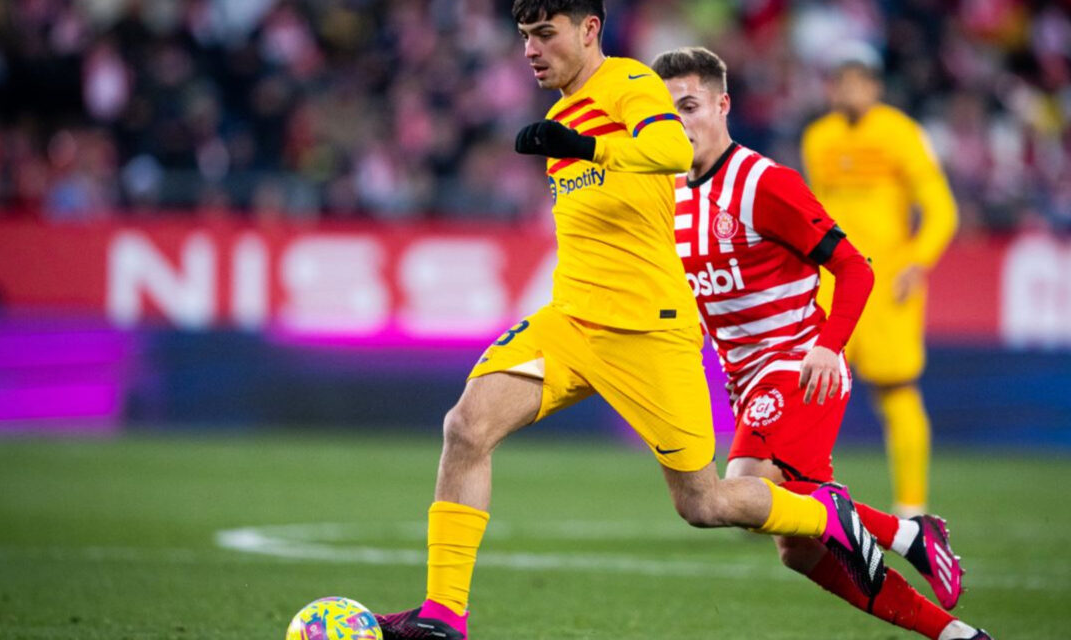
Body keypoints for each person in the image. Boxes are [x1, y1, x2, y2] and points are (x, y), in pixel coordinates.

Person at [375, 4, 885, 639]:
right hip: (573, 319)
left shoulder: (630, 84)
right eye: (525, 37)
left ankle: (828, 519)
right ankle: (443, 617)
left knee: (704, 503)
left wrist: (584, 146)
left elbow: (671, 147)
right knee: (467, 426)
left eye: (545, 34)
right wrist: (573, 141)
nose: (531, 50)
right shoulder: (561, 112)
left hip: (650, 328)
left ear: (588, 30)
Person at [653, 46, 987, 640]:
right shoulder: (670, 195)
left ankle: (903, 530)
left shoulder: (764, 182)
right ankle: (953, 626)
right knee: (797, 549)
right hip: (746, 376)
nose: (679, 122)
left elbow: (856, 268)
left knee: (745, 489)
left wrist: (828, 347)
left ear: (722, 105)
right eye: (666, 111)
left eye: (690, 106)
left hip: (799, 360)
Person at [801, 42, 959, 518]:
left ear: (875, 86)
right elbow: (815, 212)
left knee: (896, 392)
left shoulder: (900, 134)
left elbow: (941, 209)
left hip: (888, 284)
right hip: (831, 283)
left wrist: (918, 260)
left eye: (857, 80)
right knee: (807, 390)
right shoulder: (818, 138)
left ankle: (911, 508)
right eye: (840, 80)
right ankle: (780, 496)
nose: (847, 89)